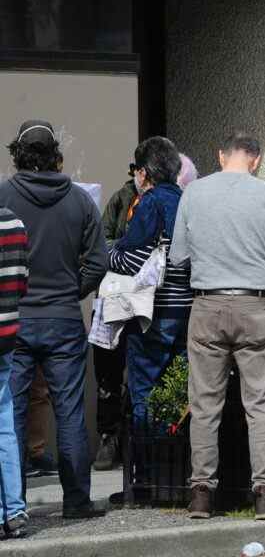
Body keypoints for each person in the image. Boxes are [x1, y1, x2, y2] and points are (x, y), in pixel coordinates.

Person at [170, 132, 265, 520]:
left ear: (221, 155)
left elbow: (178, 256)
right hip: (255, 304)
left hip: (207, 304)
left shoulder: (193, 193)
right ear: (256, 160)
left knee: (205, 404)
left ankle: (202, 495)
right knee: (260, 404)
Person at [0, 119, 107, 519]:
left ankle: (13, 506)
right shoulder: (79, 200)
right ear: (54, 157)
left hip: (15, 320)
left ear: (18, 155)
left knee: (10, 414)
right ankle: (77, 502)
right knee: (70, 413)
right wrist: (71, 291)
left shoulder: (4, 195)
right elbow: (98, 262)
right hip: (64, 319)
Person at [109, 137, 192, 432]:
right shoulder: (188, 200)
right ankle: (177, 463)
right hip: (187, 312)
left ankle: (150, 468)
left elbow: (132, 261)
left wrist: (108, 252)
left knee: (145, 391)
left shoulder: (150, 202)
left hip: (153, 313)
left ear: (144, 172)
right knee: (180, 393)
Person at [92, 164, 141, 471]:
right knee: (108, 369)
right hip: (115, 292)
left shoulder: (165, 198)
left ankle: (137, 437)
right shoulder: (121, 199)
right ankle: (108, 436)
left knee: (140, 371)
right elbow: (103, 240)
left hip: (149, 296)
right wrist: (124, 255)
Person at [0, 207, 29, 538]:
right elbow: (22, 283)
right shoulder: (14, 222)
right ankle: (15, 510)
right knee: (5, 423)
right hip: (7, 332)